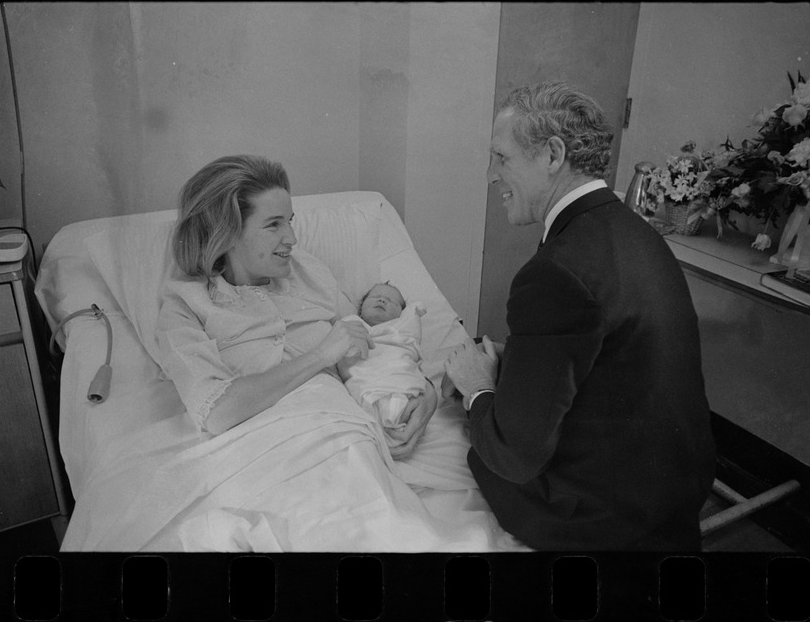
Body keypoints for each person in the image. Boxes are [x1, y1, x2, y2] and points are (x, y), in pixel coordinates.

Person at [443, 81, 717, 551]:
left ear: (553, 154)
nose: (490, 175)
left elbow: (515, 457)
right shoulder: (635, 232)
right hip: (674, 493)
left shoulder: (556, 270)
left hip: (604, 520)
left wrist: (478, 389)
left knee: (479, 452)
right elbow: (611, 353)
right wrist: (519, 360)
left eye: (502, 158)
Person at [155, 154, 437, 459]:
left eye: (289, 221)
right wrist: (321, 356)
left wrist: (427, 396)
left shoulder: (308, 272)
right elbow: (216, 413)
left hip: (344, 439)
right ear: (227, 232)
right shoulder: (185, 306)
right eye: (273, 225)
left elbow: (370, 342)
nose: (292, 238)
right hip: (261, 453)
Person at [336, 282, 429, 447]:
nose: (382, 300)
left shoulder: (403, 331)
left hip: (397, 375)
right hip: (365, 380)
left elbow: (410, 355)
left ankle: (393, 415)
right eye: (375, 297)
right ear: (361, 307)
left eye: (391, 301)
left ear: (401, 313)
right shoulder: (351, 323)